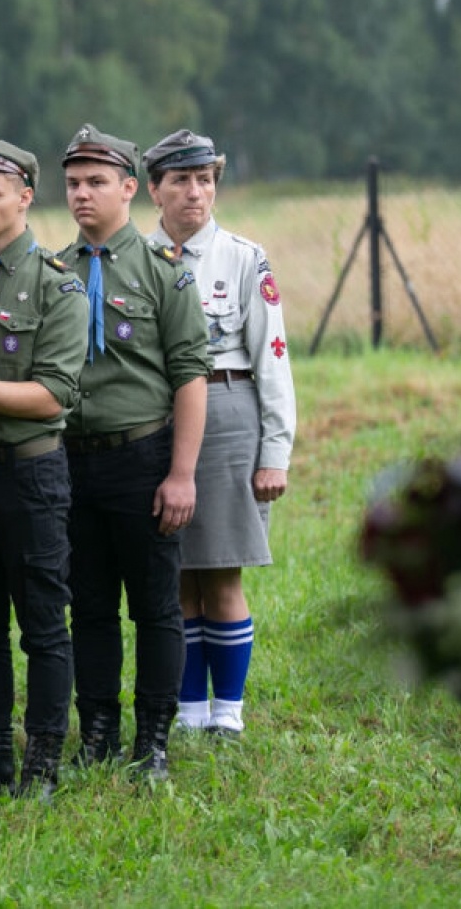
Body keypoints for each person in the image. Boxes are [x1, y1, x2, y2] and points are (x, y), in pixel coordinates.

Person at [54, 123, 211, 781]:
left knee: (153, 604)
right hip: (68, 461)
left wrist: (181, 473)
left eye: (96, 182)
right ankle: (97, 732)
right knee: (87, 604)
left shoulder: (163, 272)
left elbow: (190, 374)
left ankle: (153, 740)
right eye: (72, 184)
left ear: (127, 188)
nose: (82, 194)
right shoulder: (52, 271)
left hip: (141, 458)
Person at [144, 129, 297, 739]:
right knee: (177, 570)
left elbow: (273, 359)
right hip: (156, 418)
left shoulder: (242, 257)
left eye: (205, 179)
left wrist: (275, 454)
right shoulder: (135, 257)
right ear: (152, 189)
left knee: (223, 570)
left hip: (229, 408)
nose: (195, 192)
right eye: (180, 180)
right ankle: (188, 709)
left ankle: (227, 712)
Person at [0, 136, 88, 800]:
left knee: (41, 620)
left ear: (26, 197)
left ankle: (42, 762)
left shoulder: (58, 285)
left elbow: (53, 394)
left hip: (29, 474)